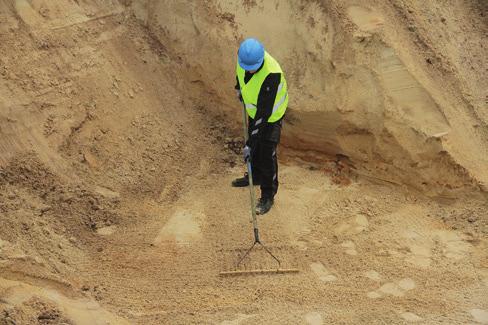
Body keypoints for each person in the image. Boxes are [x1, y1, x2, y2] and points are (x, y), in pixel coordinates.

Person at [232, 38, 288, 215]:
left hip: (271, 116)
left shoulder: (272, 74)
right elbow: (240, 75)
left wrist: (250, 143)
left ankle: (268, 195)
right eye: (246, 67)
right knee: (254, 145)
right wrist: (239, 88)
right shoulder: (245, 60)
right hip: (254, 110)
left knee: (266, 152)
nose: (249, 70)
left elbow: (264, 115)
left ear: (261, 60)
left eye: (252, 68)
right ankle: (255, 176)